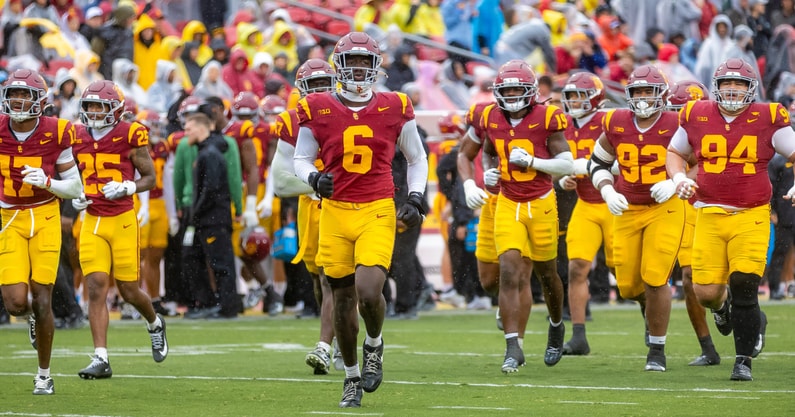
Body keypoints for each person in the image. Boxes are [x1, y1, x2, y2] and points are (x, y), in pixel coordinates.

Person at [293, 32, 428, 408]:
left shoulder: (396, 104)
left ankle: (374, 344)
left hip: (376, 207)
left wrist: (416, 197)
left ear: (375, 66)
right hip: (335, 210)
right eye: (349, 62)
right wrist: (313, 178)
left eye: (363, 62)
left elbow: (416, 158)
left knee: (369, 291)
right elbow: (301, 159)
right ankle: (351, 376)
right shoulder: (317, 106)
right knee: (340, 297)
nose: (356, 69)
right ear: (338, 65)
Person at [666, 58, 795, 381]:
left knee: (744, 283)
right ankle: (724, 311)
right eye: (727, 84)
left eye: (739, 84)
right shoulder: (696, 114)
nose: (733, 90)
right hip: (708, 212)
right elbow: (675, 153)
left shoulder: (768, 117)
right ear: (716, 87)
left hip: (751, 214)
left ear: (751, 89)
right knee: (706, 293)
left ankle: (742, 361)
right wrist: (677, 178)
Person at [470, 60, 572, 373]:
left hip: (541, 202)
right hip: (508, 202)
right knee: (509, 268)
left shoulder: (548, 116)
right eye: (507, 89)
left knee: (547, 273)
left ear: (530, 92)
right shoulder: (490, 115)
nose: (512, 95)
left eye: (518, 89)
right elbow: (488, 148)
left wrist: (533, 162)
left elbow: (566, 162)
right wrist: (490, 170)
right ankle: (513, 346)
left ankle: (556, 324)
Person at [588, 64, 684, 372]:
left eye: (648, 91)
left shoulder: (676, 123)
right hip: (627, 207)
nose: (642, 98)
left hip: (664, 208)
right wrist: (607, 191)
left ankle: (657, 349)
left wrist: (675, 182)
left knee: (655, 277)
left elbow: (701, 163)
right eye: (637, 91)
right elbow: (597, 163)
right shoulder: (616, 121)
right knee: (629, 287)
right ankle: (650, 312)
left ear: (662, 94)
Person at [71, 80, 167, 379]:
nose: (94, 112)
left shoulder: (130, 133)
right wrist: (72, 193)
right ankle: (101, 357)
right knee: (96, 286)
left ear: (115, 109)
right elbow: (68, 174)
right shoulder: (75, 135)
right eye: (90, 106)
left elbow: (150, 178)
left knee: (128, 290)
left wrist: (128, 186)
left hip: (123, 218)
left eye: (100, 106)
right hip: (92, 218)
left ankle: (154, 322)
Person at [0, 69, 83, 394]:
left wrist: (48, 182)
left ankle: (44, 375)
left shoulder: (57, 131)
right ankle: (31, 317)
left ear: (40, 101)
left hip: (45, 215)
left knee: (43, 296)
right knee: (16, 303)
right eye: (14, 95)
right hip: (10, 218)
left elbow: (75, 187)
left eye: (26, 95)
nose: (19, 101)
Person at [268, 58, 340, 375]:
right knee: (316, 276)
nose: (321, 91)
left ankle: (327, 345)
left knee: (332, 277)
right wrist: (312, 184)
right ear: (301, 91)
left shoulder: (347, 113)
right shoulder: (292, 121)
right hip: (310, 204)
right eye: (315, 86)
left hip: (342, 204)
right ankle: (339, 337)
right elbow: (281, 182)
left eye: (326, 84)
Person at [664, 80, 721, 366]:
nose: (680, 117)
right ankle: (707, 346)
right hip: (678, 208)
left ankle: (743, 315)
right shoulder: (662, 129)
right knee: (687, 279)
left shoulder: (716, 126)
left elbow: (709, 161)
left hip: (711, 205)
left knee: (726, 277)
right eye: (675, 110)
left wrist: (683, 176)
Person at [557, 72, 611, 356]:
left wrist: (590, 170)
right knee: (576, 267)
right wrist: (563, 179)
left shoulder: (609, 122)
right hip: (585, 204)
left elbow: (627, 162)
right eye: (570, 96)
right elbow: (558, 165)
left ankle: (652, 331)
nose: (574, 101)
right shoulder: (563, 126)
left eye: (580, 95)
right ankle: (579, 336)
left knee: (630, 279)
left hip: (615, 203)